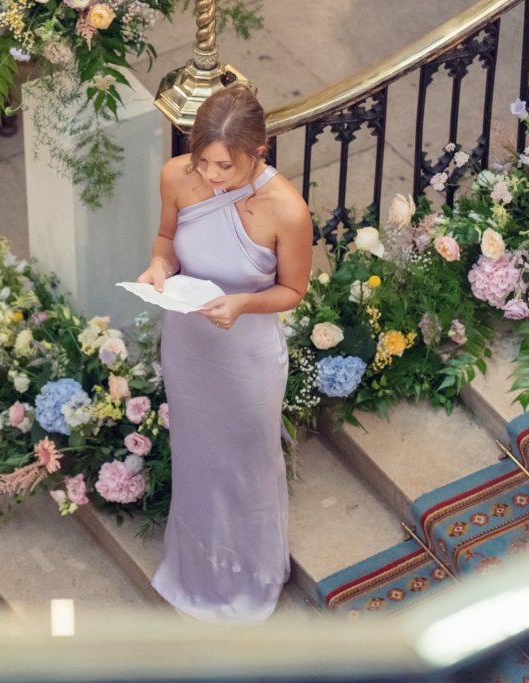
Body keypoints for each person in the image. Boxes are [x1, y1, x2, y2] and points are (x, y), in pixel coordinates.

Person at [136, 84, 312, 624]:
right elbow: (166, 240)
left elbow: (294, 290)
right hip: (187, 346)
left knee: (247, 464)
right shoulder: (176, 177)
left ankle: (250, 575)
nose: (211, 176)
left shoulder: (288, 211)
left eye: (225, 166)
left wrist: (243, 304)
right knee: (197, 457)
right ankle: (196, 572)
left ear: (258, 151)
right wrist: (159, 268)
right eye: (204, 162)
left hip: (247, 359)